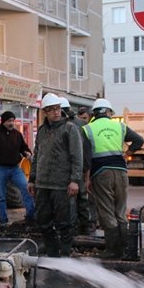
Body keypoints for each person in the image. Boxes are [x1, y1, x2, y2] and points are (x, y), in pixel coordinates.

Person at [82, 98, 144, 259]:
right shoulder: (120, 126)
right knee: (121, 211)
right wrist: (127, 153)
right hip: (121, 171)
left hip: (101, 173)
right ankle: (125, 249)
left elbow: (87, 159)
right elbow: (139, 140)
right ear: (108, 112)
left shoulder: (88, 129)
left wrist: (86, 179)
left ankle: (113, 250)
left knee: (107, 212)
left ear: (94, 113)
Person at [27, 93, 83, 257]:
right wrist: (32, 179)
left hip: (61, 185)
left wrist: (75, 180)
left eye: (58, 109)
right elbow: (37, 156)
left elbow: (77, 157)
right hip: (43, 184)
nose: (56, 112)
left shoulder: (69, 129)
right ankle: (52, 253)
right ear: (45, 112)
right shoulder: (43, 131)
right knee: (43, 221)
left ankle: (65, 255)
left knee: (64, 223)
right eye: (51, 110)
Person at [61, 97, 97, 235]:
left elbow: (84, 152)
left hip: (74, 170)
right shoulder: (81, 125)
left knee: (75, 200)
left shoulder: (70, 126)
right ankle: (85, 226)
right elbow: (87, 153)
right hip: (79, 169)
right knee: (81, 199)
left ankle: (77, 227)